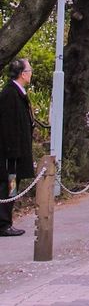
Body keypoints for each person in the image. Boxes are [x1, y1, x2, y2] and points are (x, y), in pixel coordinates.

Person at [0, 58, 34, 237]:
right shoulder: (10, 94)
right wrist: (13, 152)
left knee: (12, 186)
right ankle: (3, 223)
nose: (31, 74)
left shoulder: (17, 93)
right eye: (29, 70)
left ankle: (6, 221)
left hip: (16, 152)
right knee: (9, 186)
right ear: (22, 74)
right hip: (10, 155)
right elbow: (8, 125)